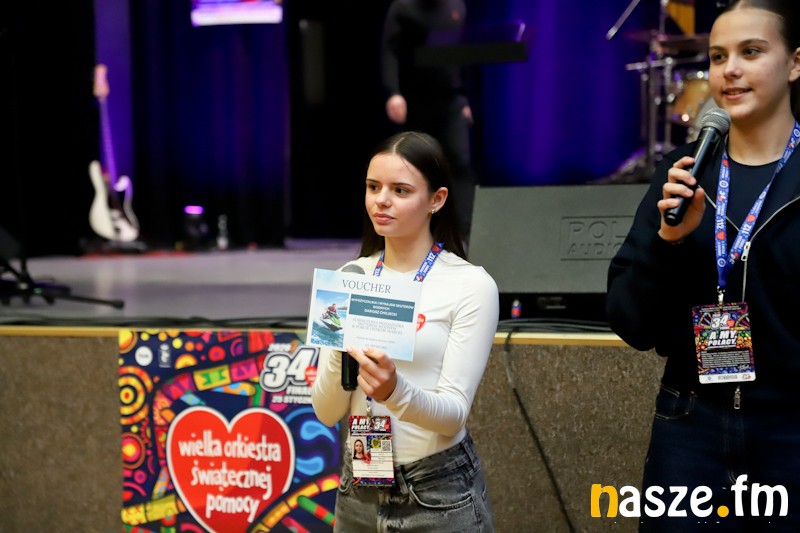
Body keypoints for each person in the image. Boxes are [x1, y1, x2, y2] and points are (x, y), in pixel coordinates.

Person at [607, 1, 800, 530]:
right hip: (690, 425)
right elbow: (630, 321)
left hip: (789, 430)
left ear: (794, 63)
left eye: (751, 52)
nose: (729, 69)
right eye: (718, 56)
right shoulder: (684, 171)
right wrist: (668, 241)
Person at [311, 131, 498, 532]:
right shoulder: (350, 277)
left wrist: (394, 391)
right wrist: (342, 351)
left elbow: (453, 415)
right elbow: (325, 411)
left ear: (437, 199)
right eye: (373, 187)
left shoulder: (470, 285)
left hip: (438, 492)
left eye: (400, 190)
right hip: (359, 485)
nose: (381, 200)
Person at [380, 0, 477, 239]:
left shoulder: (456, 7)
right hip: (416, 100)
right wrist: (393, 93)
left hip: (451, 100)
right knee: (415, 165)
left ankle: (466, 231)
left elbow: (464, 54)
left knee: (460, 161)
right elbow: (390, 51)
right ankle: (413, 229)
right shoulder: (403, 7)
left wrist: (466, 98)